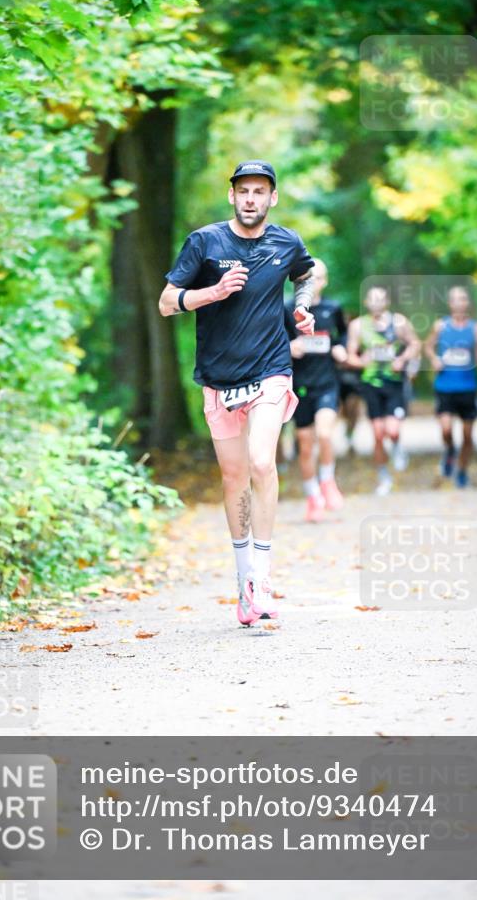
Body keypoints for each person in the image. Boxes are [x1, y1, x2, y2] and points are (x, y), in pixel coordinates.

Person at [158, 160, 315, 626]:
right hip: (219, 377)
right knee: (234, 478)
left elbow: (306, 273)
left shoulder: (286, 242)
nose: (251, 199)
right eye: (243, 191)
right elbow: (168, 303)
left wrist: (302, 309)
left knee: (262, 463)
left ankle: (263, 578)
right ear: (232, 196)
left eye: (259, 191)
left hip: (271, 370)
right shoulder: (205, 243)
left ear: (273, 198)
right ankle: (244, 578)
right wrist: (213, 292)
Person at [284, 259, 348, 522]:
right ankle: (313, 498)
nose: (314, 283)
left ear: (326, 281)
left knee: (324, 434)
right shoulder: (287, 309)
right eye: (309, 278)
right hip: (300, 385)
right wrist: (290, 347)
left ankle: (328, 482)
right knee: (306, 446)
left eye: (319, 278)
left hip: (327, 382)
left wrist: (341, 348)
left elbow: (343, 336)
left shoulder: (333, 308)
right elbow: (277, 340)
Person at [346, 286, 420, 496]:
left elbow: (415, 344)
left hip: (394, 382)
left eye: (380, 299)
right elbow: (350, 357)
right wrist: (361, 361)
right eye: (372, 299)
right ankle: (383, 476)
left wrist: (402, 359)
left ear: (387, 301)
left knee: (393, 430)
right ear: (367, 302)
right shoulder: (358, 326)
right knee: (378, 434)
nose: (376, 303)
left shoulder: (399, 322)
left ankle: (397, 446)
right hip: (371, 384)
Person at [425, 285, 477, 488]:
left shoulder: (475, 328)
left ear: (467, 303)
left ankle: (462, 470)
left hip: (468, 386)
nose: (459, 303)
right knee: (446, 429)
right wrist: (434, 359)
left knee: (468, 435)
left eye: (463, 299)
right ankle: (450, 450)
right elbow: (427, 346)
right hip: (445, 385)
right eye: (455, 299)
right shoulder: (440, 326)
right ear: (450, 304)